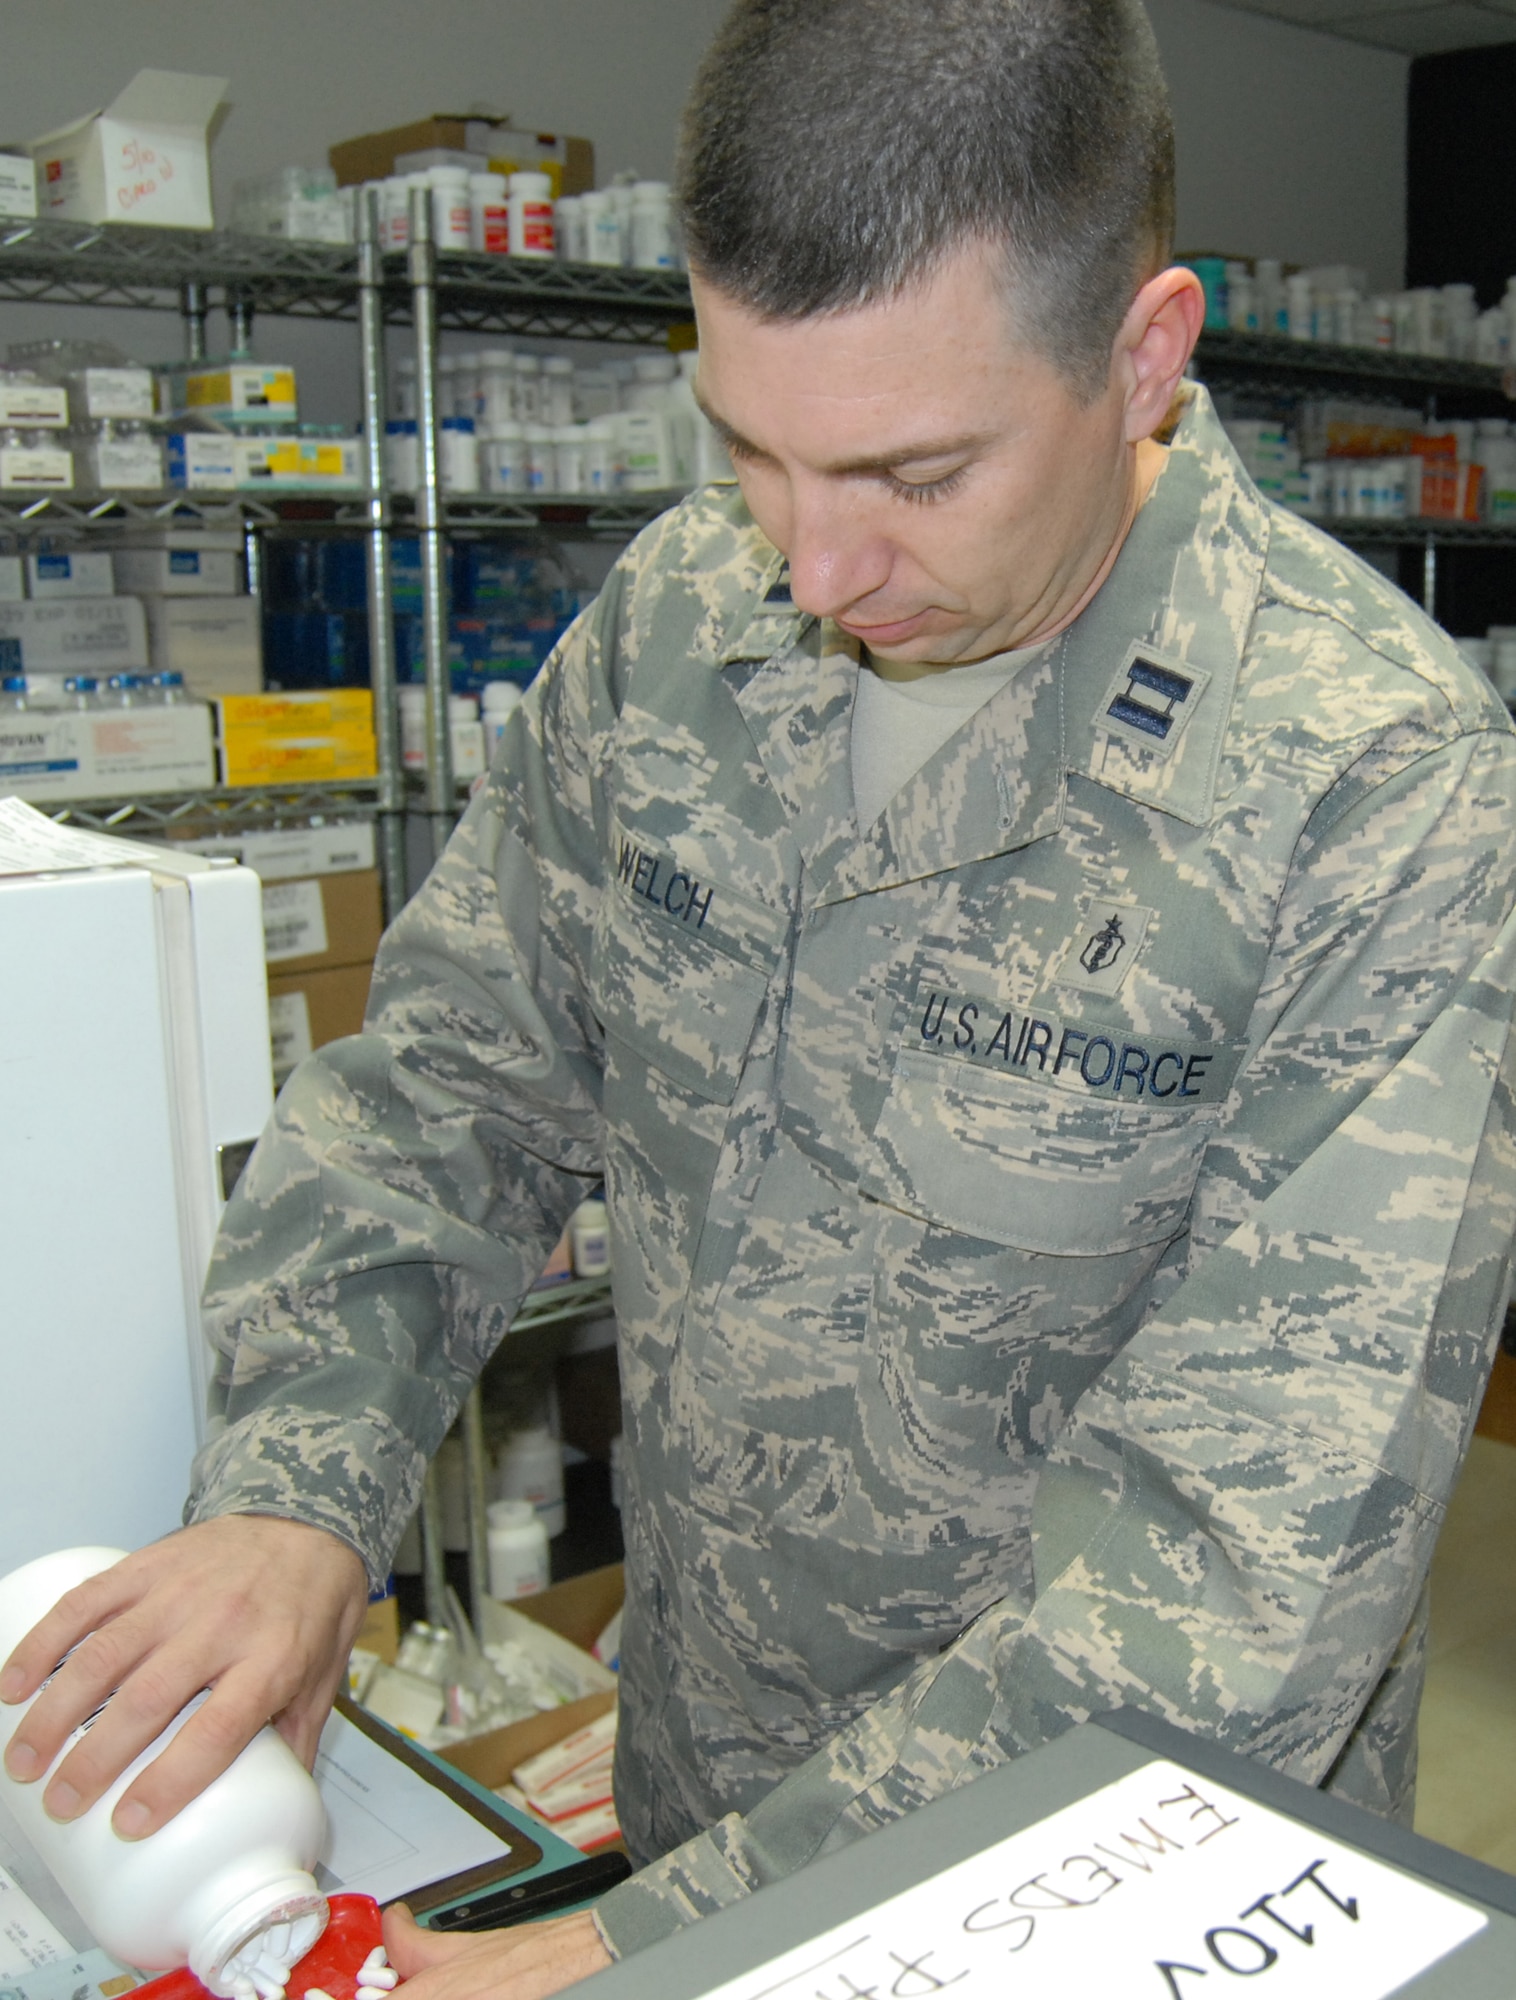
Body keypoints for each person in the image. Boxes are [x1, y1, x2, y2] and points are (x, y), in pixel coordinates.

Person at [7, 2, 1516, 1996]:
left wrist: (655, 1950)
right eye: (746, 445)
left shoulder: (1375, 791)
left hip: (1080, 1900)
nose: (809, 567)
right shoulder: (680, 626)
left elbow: (1224, 1603)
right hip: (704, 1792)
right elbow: (442, 1088)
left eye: (911, 469)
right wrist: (298, 1494)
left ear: (1142, 358)